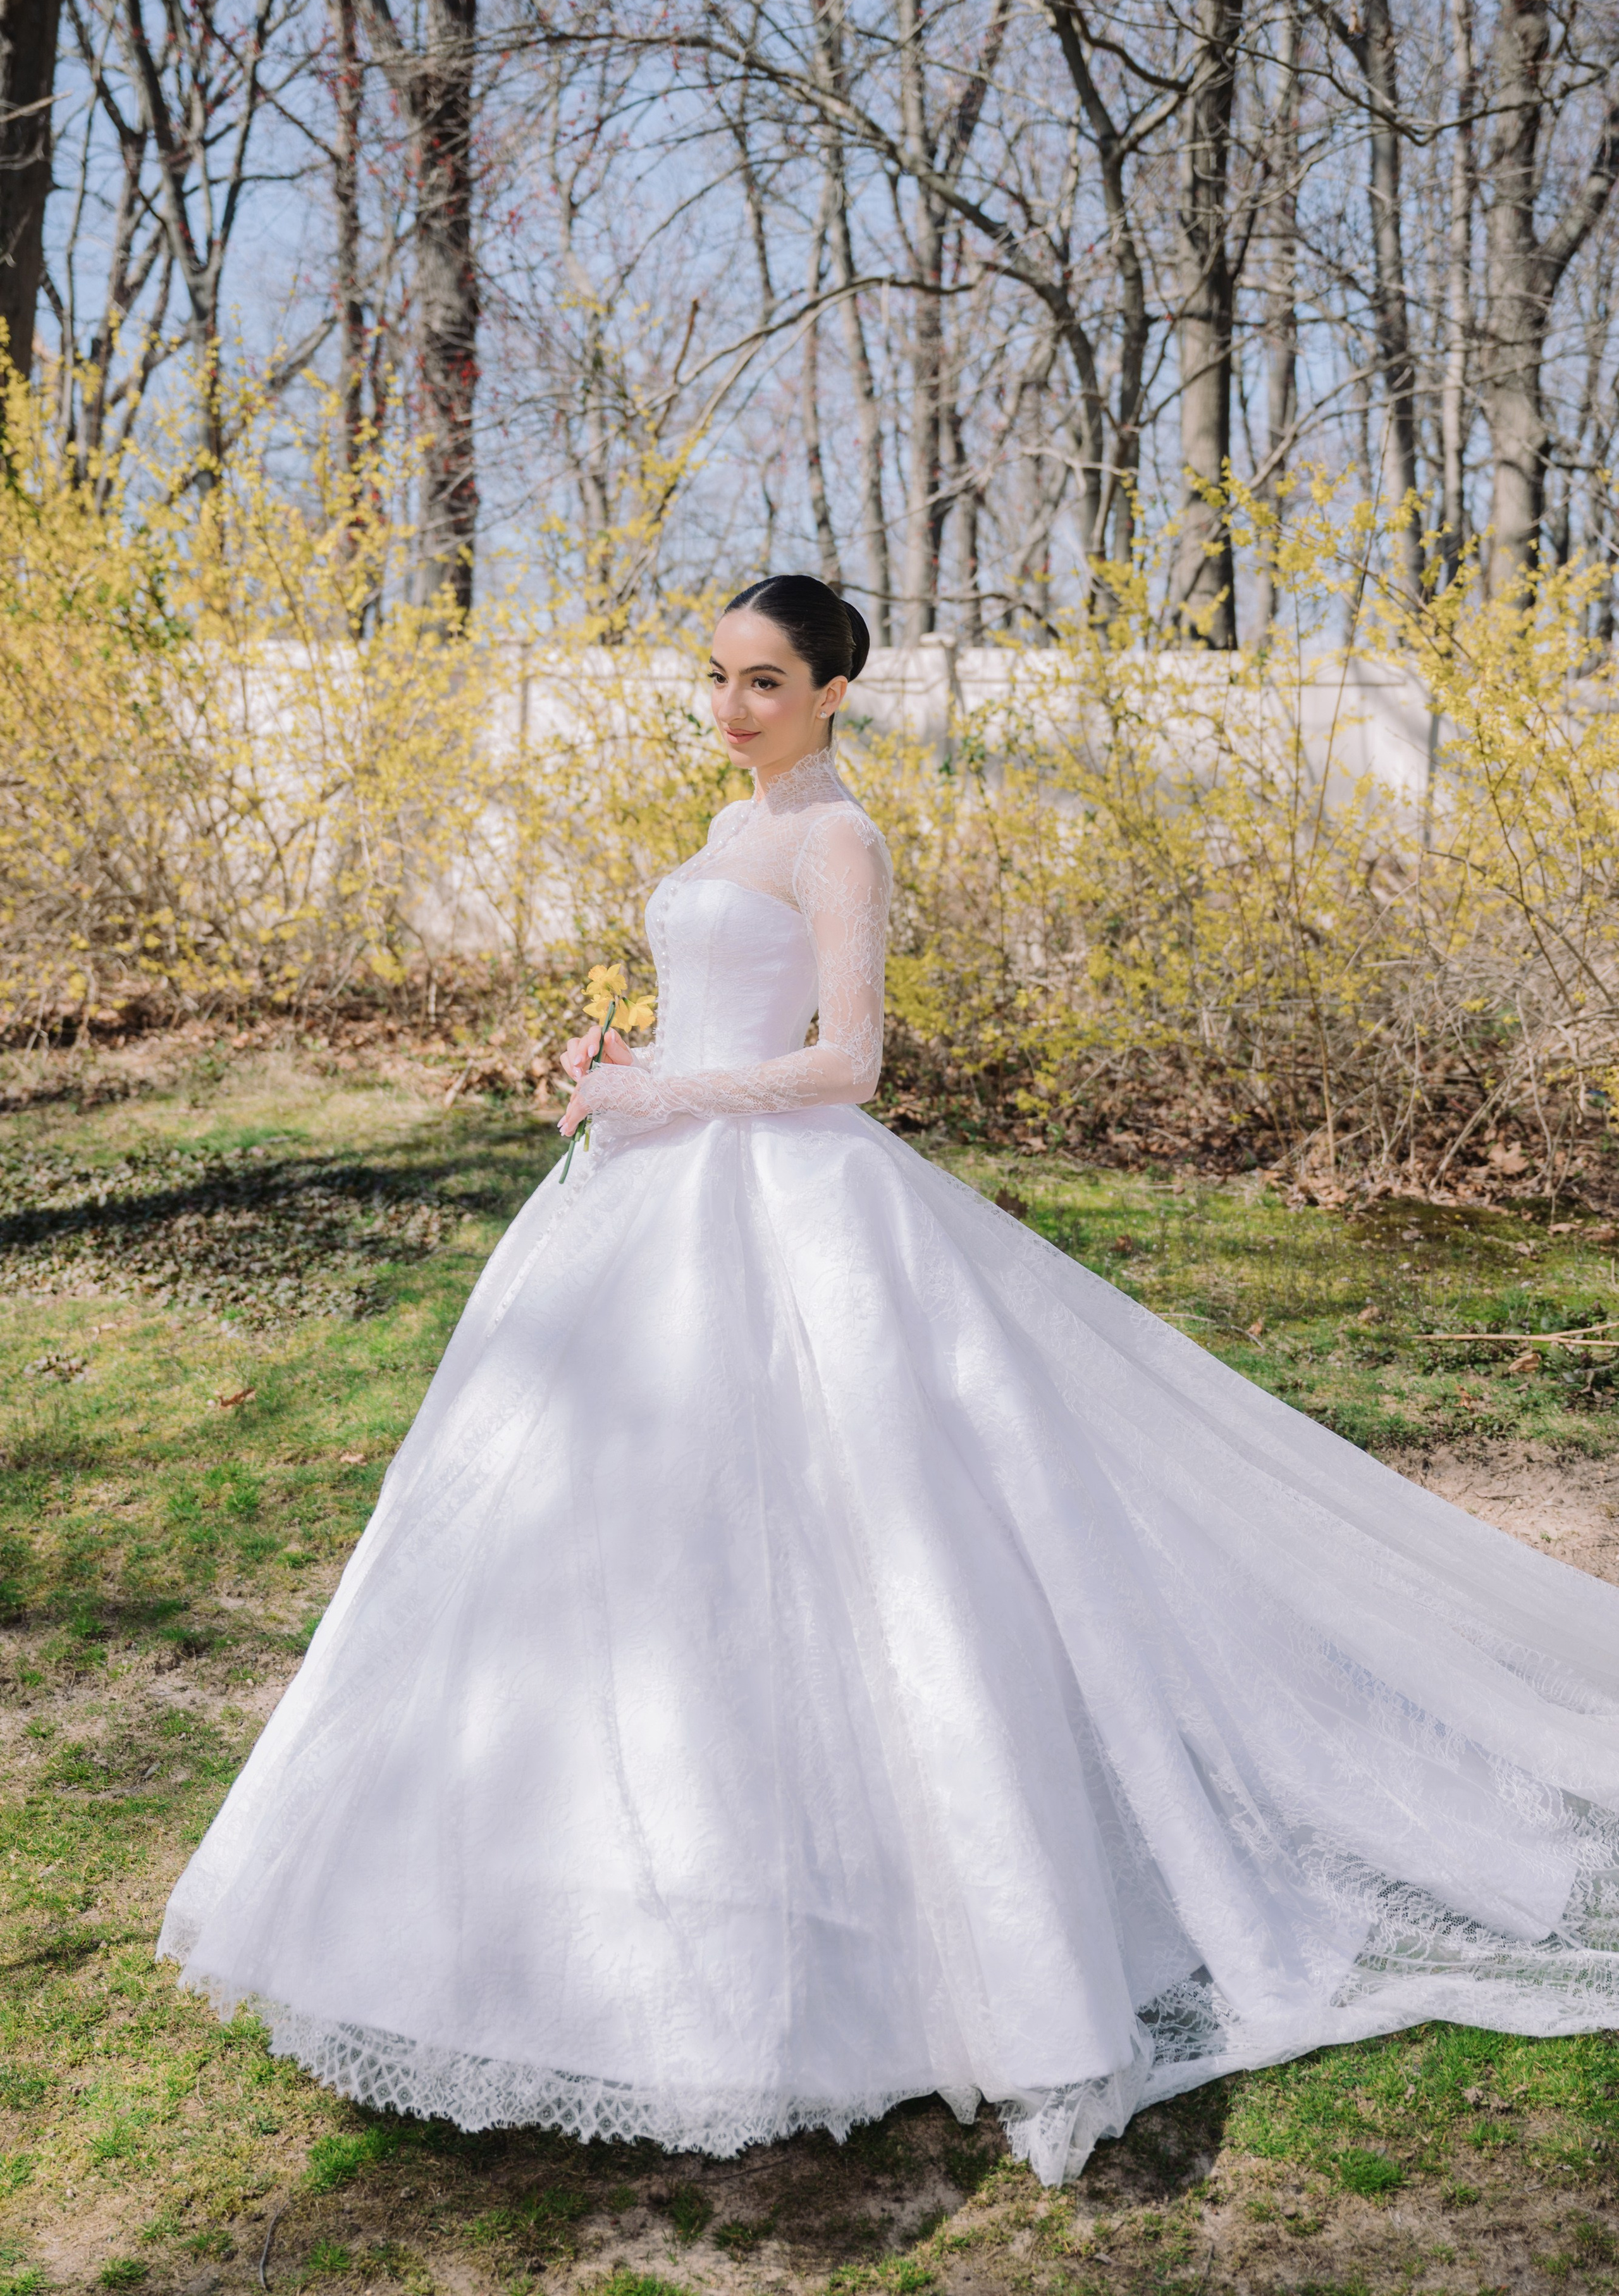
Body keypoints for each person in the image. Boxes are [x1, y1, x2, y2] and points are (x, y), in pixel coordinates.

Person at [161, 573, 1619, 2187]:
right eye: (715, 677)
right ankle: (549, 1904)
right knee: (605, 1547)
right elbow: (725, 1006)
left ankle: (877, 1929)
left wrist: (664, 1089)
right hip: (655, 1205)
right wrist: (620, 1080)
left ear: (836, 690)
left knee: (848, 1547)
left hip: (779, 1199)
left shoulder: (835, 839)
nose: (730, 707)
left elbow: (848, 1062)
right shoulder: (728, 830)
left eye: (764, 683)